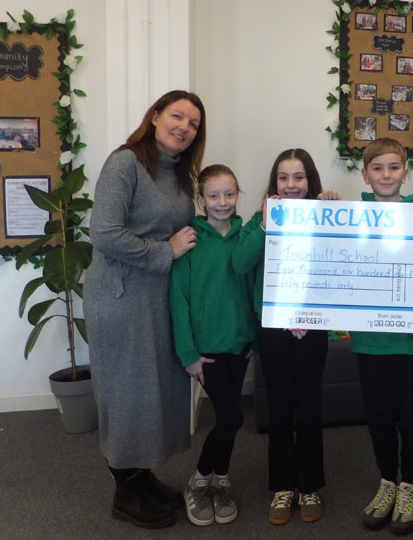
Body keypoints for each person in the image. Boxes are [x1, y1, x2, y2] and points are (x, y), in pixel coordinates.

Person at [84, 90, 206, 529]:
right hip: (120, 296)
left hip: (157, 296)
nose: (184, 127)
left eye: (193, 123)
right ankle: (125, 492)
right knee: (126, 392)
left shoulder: (178, 172)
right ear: (155, 116)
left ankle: (141, 476)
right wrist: (164, 251)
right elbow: (104, 232)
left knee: (152, 391)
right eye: (177, 116)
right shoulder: (125, 163)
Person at [231, 148, 339, 526]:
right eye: (283, 177)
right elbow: (240, 263)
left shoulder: (326, 215)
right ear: (274, 182)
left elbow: (341, 263)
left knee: (308, 406)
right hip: (273, 326)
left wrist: (336, 210)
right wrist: (265, 224)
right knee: (279, 406)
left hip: (312, 326)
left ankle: (309, 486)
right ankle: (282, 486)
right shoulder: (259, 218)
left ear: (310, 181)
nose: (291, 184)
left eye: (298, 177)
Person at [354, 138, 413, 535]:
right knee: (379, 416)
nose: (386, 175)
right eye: (377, 168)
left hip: (412, 341)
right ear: (365, 174)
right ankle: (387, 481)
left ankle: (410, 486)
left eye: (393, 167)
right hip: (369, 340)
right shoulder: (351, 217)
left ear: (405, 173)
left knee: (412, 416)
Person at [170, 164, 257, 527]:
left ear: (238, 195)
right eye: (214, 195)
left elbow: (254, 287)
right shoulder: (190, 240)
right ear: (201, 198)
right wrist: (188, 354)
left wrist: (253, 336)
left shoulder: (246, 236)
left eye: (229, 194)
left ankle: (221, 481)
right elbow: (178, 300)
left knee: (227, 419)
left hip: (239, 344)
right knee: (233, 417)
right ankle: (198, 480)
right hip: (206, 351)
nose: (222, 202)